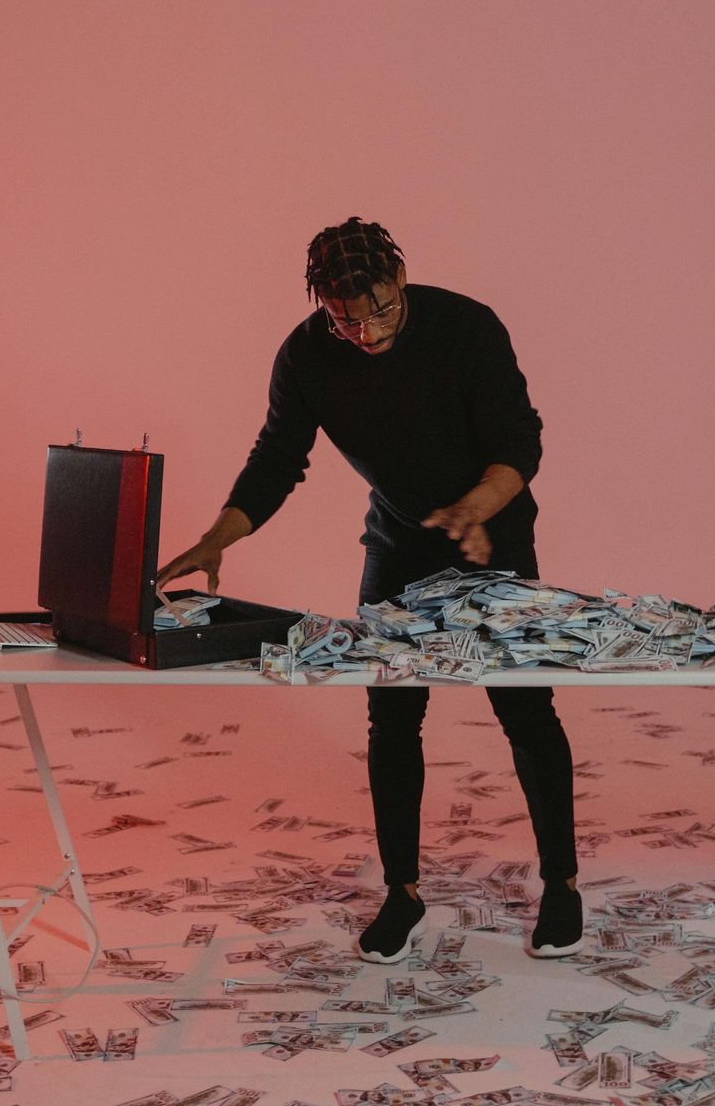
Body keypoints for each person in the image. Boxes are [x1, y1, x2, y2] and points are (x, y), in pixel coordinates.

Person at [155, 217, 583, 964]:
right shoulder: (307, 356)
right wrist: (220, 535)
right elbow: (278, 456)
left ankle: (563, 884)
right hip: (396, 547)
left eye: (380, 308)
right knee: (392, 718)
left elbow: (521, 440)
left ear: (400, 281)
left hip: (493, 533)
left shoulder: (467, 327)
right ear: (323, 305)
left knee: (526, 707)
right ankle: (403, 891)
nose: (366, 330)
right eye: (346, 319)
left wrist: (475, 512)